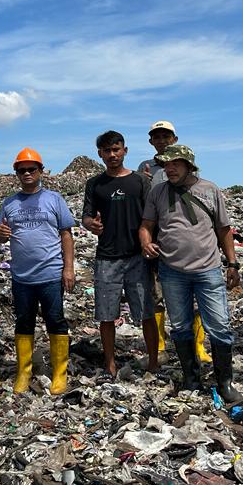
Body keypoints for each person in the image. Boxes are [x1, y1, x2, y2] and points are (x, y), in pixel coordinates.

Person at [138, 145, 242, 402]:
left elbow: (224, 229)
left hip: (207, 270)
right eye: (166, 164)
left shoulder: (209, 190)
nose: (170, 168)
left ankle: (225, 381)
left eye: (176, 164)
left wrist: (232, 264)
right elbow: (146, 225)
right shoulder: (157, 192)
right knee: (181, 326)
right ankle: (191, 378)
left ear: (189, 165)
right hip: (172, 271)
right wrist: (145, 242)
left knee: (219, 325)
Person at [0, 148, 75, 395]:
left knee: (55, 321)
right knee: (24, 323)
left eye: (32, 169)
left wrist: (69, 268)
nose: (27, 173)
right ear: (16, 174)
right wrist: (0, 235)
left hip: (51, 273)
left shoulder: (54, 199)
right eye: (22, 170)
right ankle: (23, 372)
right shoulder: (9, 203)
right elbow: (1, 234)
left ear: (41, 171)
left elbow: (66, 234)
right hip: (22, 276)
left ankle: (59, 374)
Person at [81, 131, 157, 377]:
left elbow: (152, 215)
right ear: (100, 154)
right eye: (107, 151)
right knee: (106, 315)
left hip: (137, 256)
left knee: (146, 312)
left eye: (116, 149)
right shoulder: (95, 184)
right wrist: (91, 224)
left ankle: (154, 361)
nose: (112, 155)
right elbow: (86, 216)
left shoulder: (140, 182)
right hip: (107, 257)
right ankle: (110, 364)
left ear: (125, 151)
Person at [137, 120, 211, 365]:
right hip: (156, 238)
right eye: (156, 137)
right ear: (151, 141)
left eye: (165, 136)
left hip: (184, 239)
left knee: (193, 293)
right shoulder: (144, 167)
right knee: (156, 293)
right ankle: (158, 345)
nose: (161, 140)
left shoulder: (187, 167)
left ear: (174, 139)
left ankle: (198, 346)